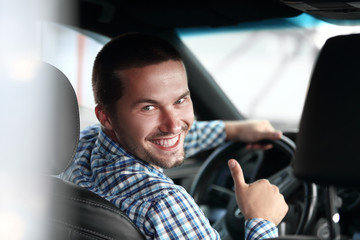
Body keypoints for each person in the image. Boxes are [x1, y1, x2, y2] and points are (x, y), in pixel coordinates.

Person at [61, 32, 288, 239]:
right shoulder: (164, 204)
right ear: (106, 117)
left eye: (180, 101)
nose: (173, 125)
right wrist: (261, 220)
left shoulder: (81, 147)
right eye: (148, 108)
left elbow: (164, 134)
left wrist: (234, 130)